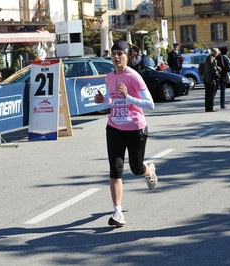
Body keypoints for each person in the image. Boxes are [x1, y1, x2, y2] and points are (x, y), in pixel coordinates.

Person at [94, 40, 158, 227]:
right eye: (113, 54)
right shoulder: (109, 77)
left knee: (136, 169)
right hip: (114, 127)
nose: (116, 57)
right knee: (115, 171)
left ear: (127, 57)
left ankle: (149, 170)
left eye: (120, 54)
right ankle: (118, 213)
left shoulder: (133, 77)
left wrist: (128, 97)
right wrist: (103, 100)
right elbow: (115, 101)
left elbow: (150, 105)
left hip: (135, 128)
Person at [202, 48, 221, 112]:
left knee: (207, 94)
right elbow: (213, 70)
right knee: (211, 94)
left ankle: (207, 107)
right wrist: (218, 75)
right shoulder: (214, 59)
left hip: (206, 78)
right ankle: (211, 107)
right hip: (211, 79)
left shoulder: (207, 58)